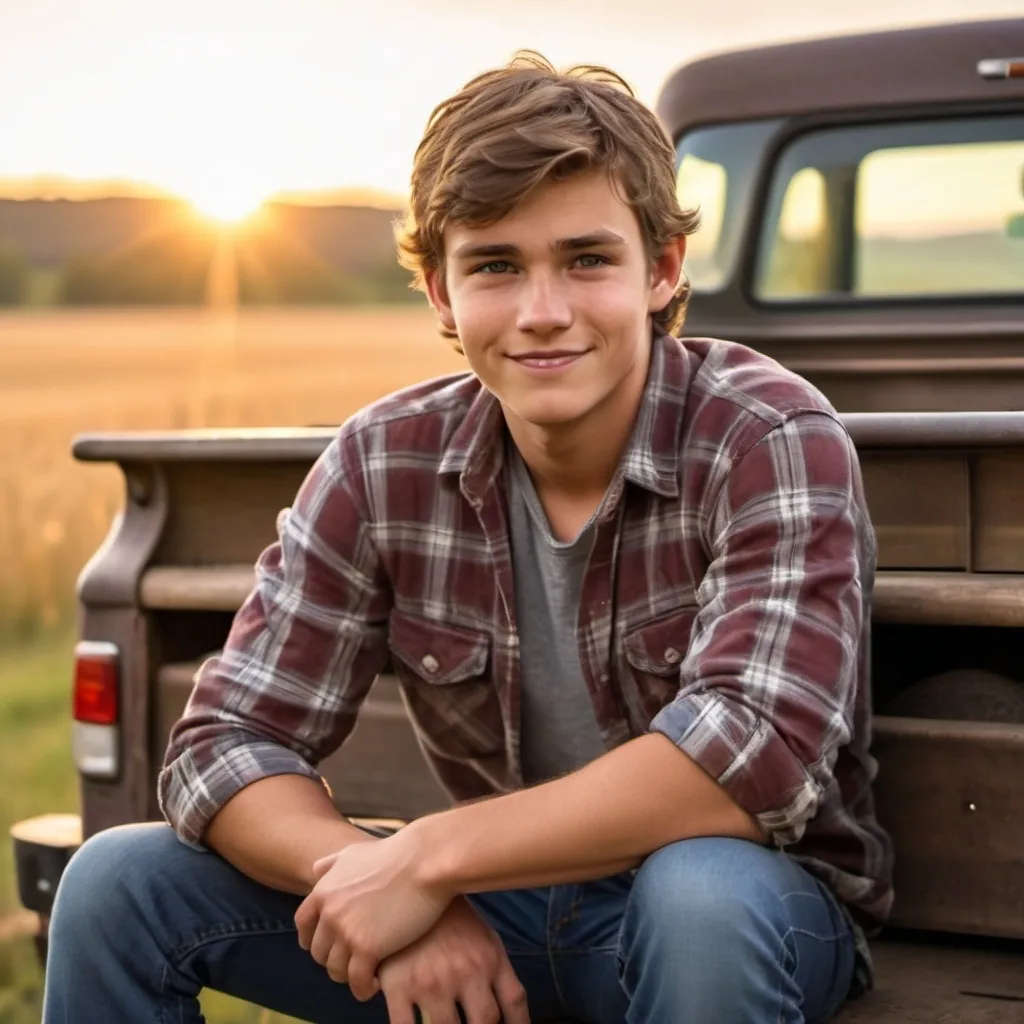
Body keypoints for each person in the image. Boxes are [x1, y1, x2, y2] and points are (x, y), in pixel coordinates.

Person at [43, 52, 893, 1024]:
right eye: (494, 265)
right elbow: (223, 743)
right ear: (442, 295)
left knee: (695, 893)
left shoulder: (765, 434)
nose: (542, 312)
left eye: (587, 259)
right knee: (120, 883)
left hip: (752, 913)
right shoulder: (381, 460)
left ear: (660, 270)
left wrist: (428, 856)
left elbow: (752, 758)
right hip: (503, 914)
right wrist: (384, 886)